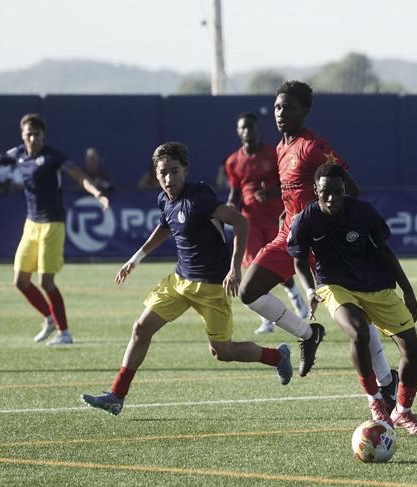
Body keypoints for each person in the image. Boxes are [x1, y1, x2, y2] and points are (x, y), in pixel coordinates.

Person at [80, 142, 292, 415]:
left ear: (185, 171)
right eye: (163, 173)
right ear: (156, 175)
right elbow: (165, 226)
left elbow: (241, 222)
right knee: (141, 329)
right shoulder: (164, 199)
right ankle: (116, 395)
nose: (169, 179)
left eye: (174, 172)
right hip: (179, 282)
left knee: (222, 352)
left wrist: (235, 268)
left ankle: (277, 356)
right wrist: (134, 260)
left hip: (212, 287)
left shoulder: (199, 196)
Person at [238, 81, 399, 409]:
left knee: (358, 319)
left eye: (289, 108)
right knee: (248, 290)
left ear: (305, 111)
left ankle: (386, 383)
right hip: (292, 238)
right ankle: (308, 334)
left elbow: (350, 189)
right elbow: (298, 191)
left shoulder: (313, 146)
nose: (281, 113)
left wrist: (325, 218)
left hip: (324, 240)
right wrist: (288, 210)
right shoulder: (281, 148)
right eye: (277, 107)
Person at [0, 113, 110, 345]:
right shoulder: (17, 154)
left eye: (37, 134)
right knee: (20, 281)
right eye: (29, 134)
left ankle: (64, 333)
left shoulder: (52, 156)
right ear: (22, 135)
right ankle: (49, 318)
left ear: (43, 135)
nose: (33, 138)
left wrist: (98, 195)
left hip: (52, 224)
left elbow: (79, 176)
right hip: (31, 224)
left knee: (46, 282)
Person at [288, 164, 417, 434]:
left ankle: (402, 412)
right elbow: (299, 261)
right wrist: (309, 291)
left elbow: (386, 251)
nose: (332, 199)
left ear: (344, 191)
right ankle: (376, 401)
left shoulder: (363, 212)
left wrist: (407, 290)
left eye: (338, 192)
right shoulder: (306, 220)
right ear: (315, 191)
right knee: (359, 332)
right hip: (334, 286)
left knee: (412, 347)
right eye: (325, 192)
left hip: (376, 285)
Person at [224, 111, 308, 334]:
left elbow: (288, 182)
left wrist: (271, 193)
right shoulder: (233, 161)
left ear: (256, 129)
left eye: (250, 127)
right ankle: (267, 320)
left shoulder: (272, 154)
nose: (246, 131)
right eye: (242, 128)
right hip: (249, 221)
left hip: (275, 217)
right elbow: (235, 192)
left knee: (277, 267)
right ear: (237, 131)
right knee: (254, 268)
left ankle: (296, 298)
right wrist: (230, 207)